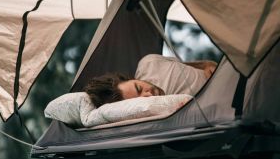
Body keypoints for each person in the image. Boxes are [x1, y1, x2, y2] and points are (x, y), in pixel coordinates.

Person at [84, 54, 217, 108]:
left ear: (132, 78)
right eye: (141, 100)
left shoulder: (149, 62)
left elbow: (190, 65)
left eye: (139, 88)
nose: (148, 95)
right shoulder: (161, 111)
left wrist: (206, 65)